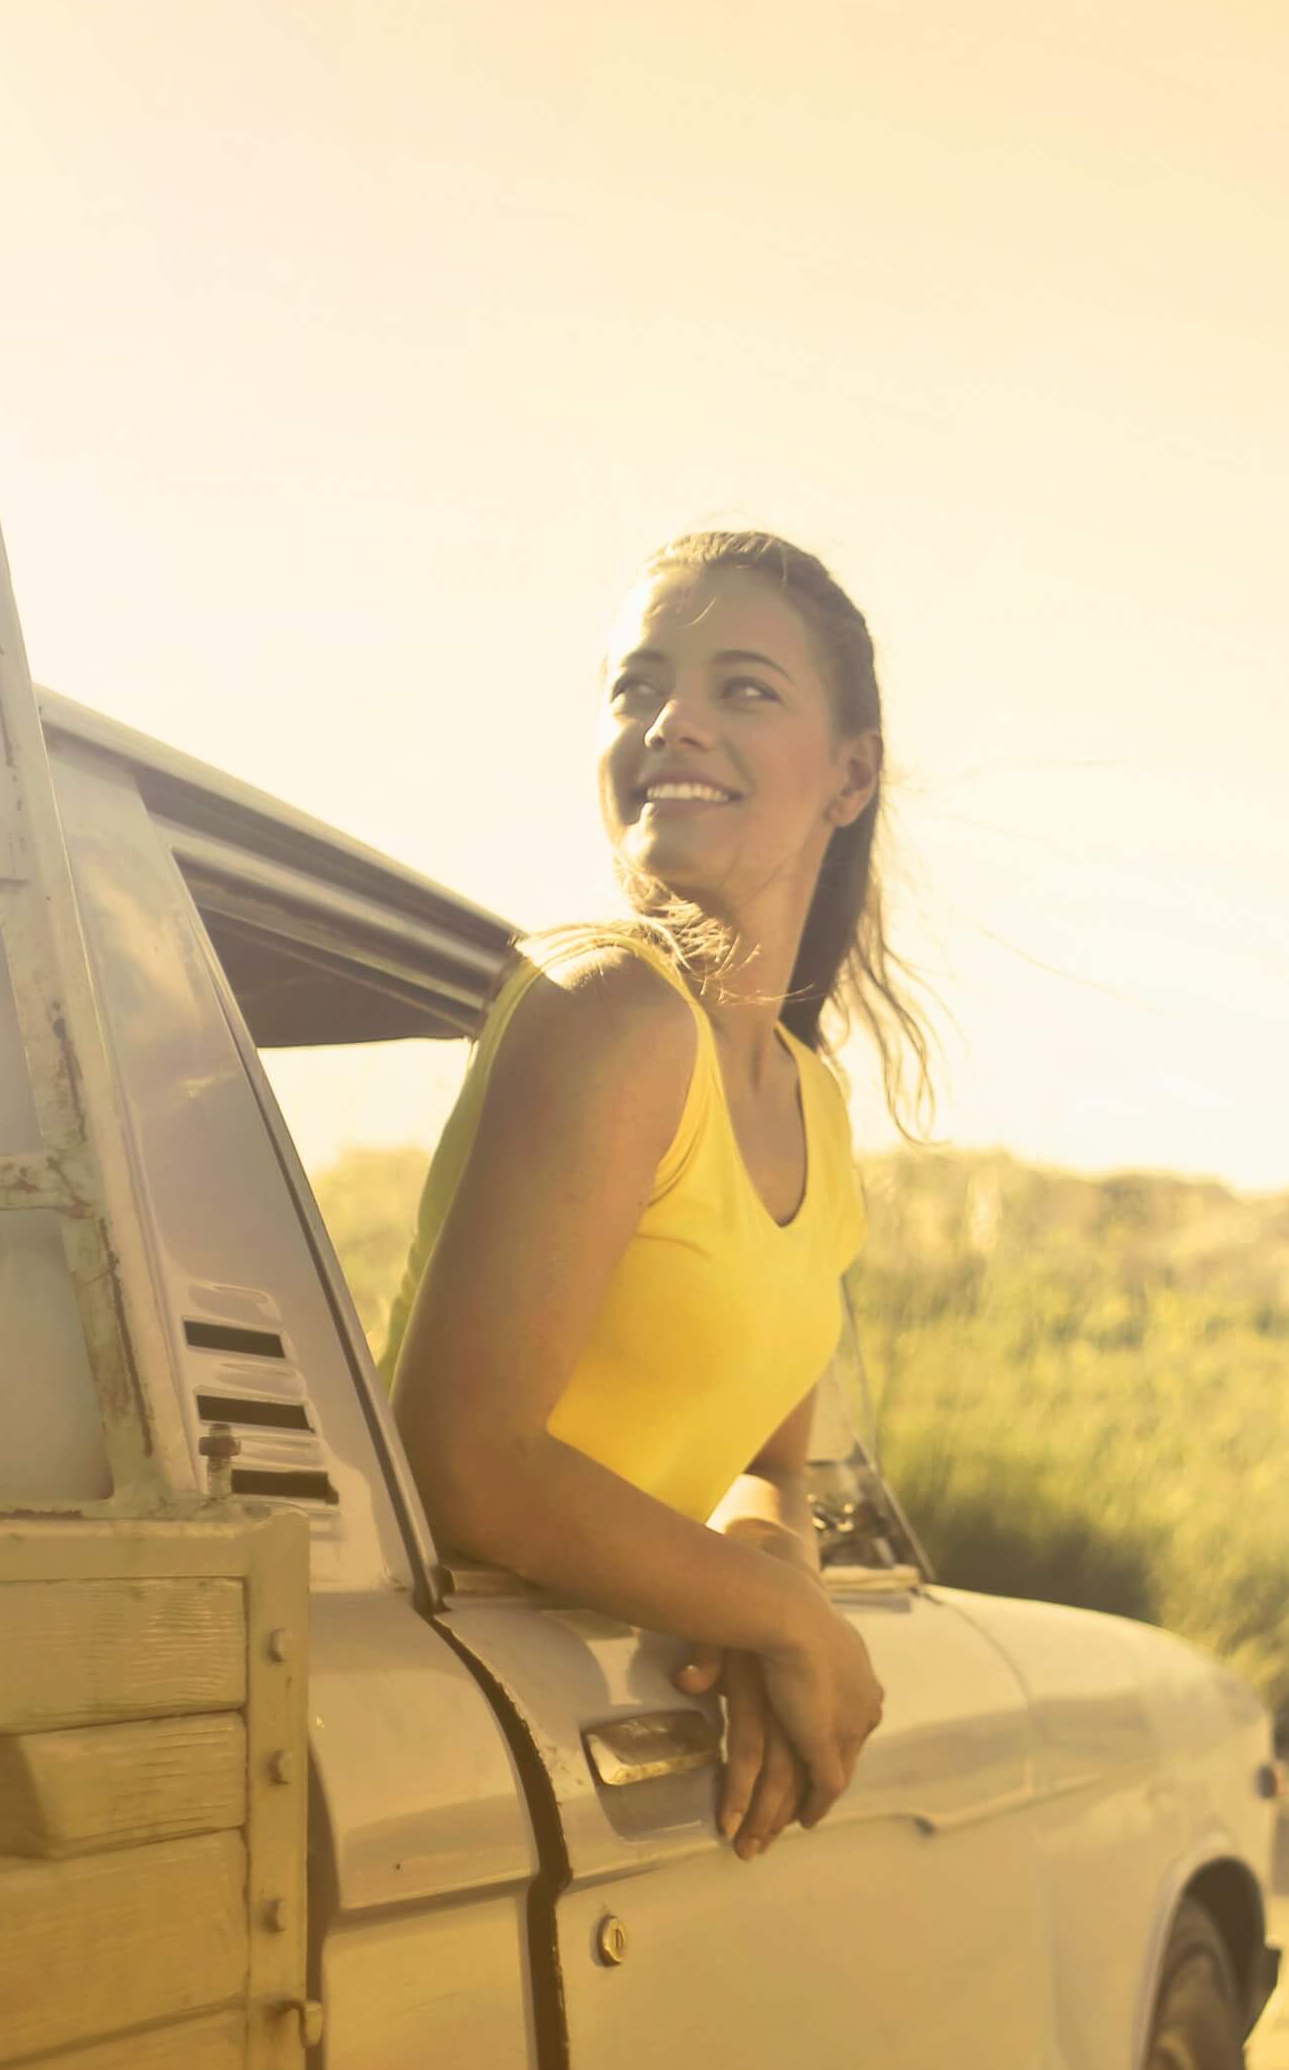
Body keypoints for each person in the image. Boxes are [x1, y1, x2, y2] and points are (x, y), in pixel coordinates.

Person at [381, 531, 933, 1859]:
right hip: (442, 1736)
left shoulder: (815, 1104)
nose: (671, 721)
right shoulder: (609, 1011)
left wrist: (765, 1575)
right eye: (637, 687)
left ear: (851, 774)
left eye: (743, 689)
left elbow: (768, 1464)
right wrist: (784, 1621)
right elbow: (467, 1463)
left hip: (592, 1736)